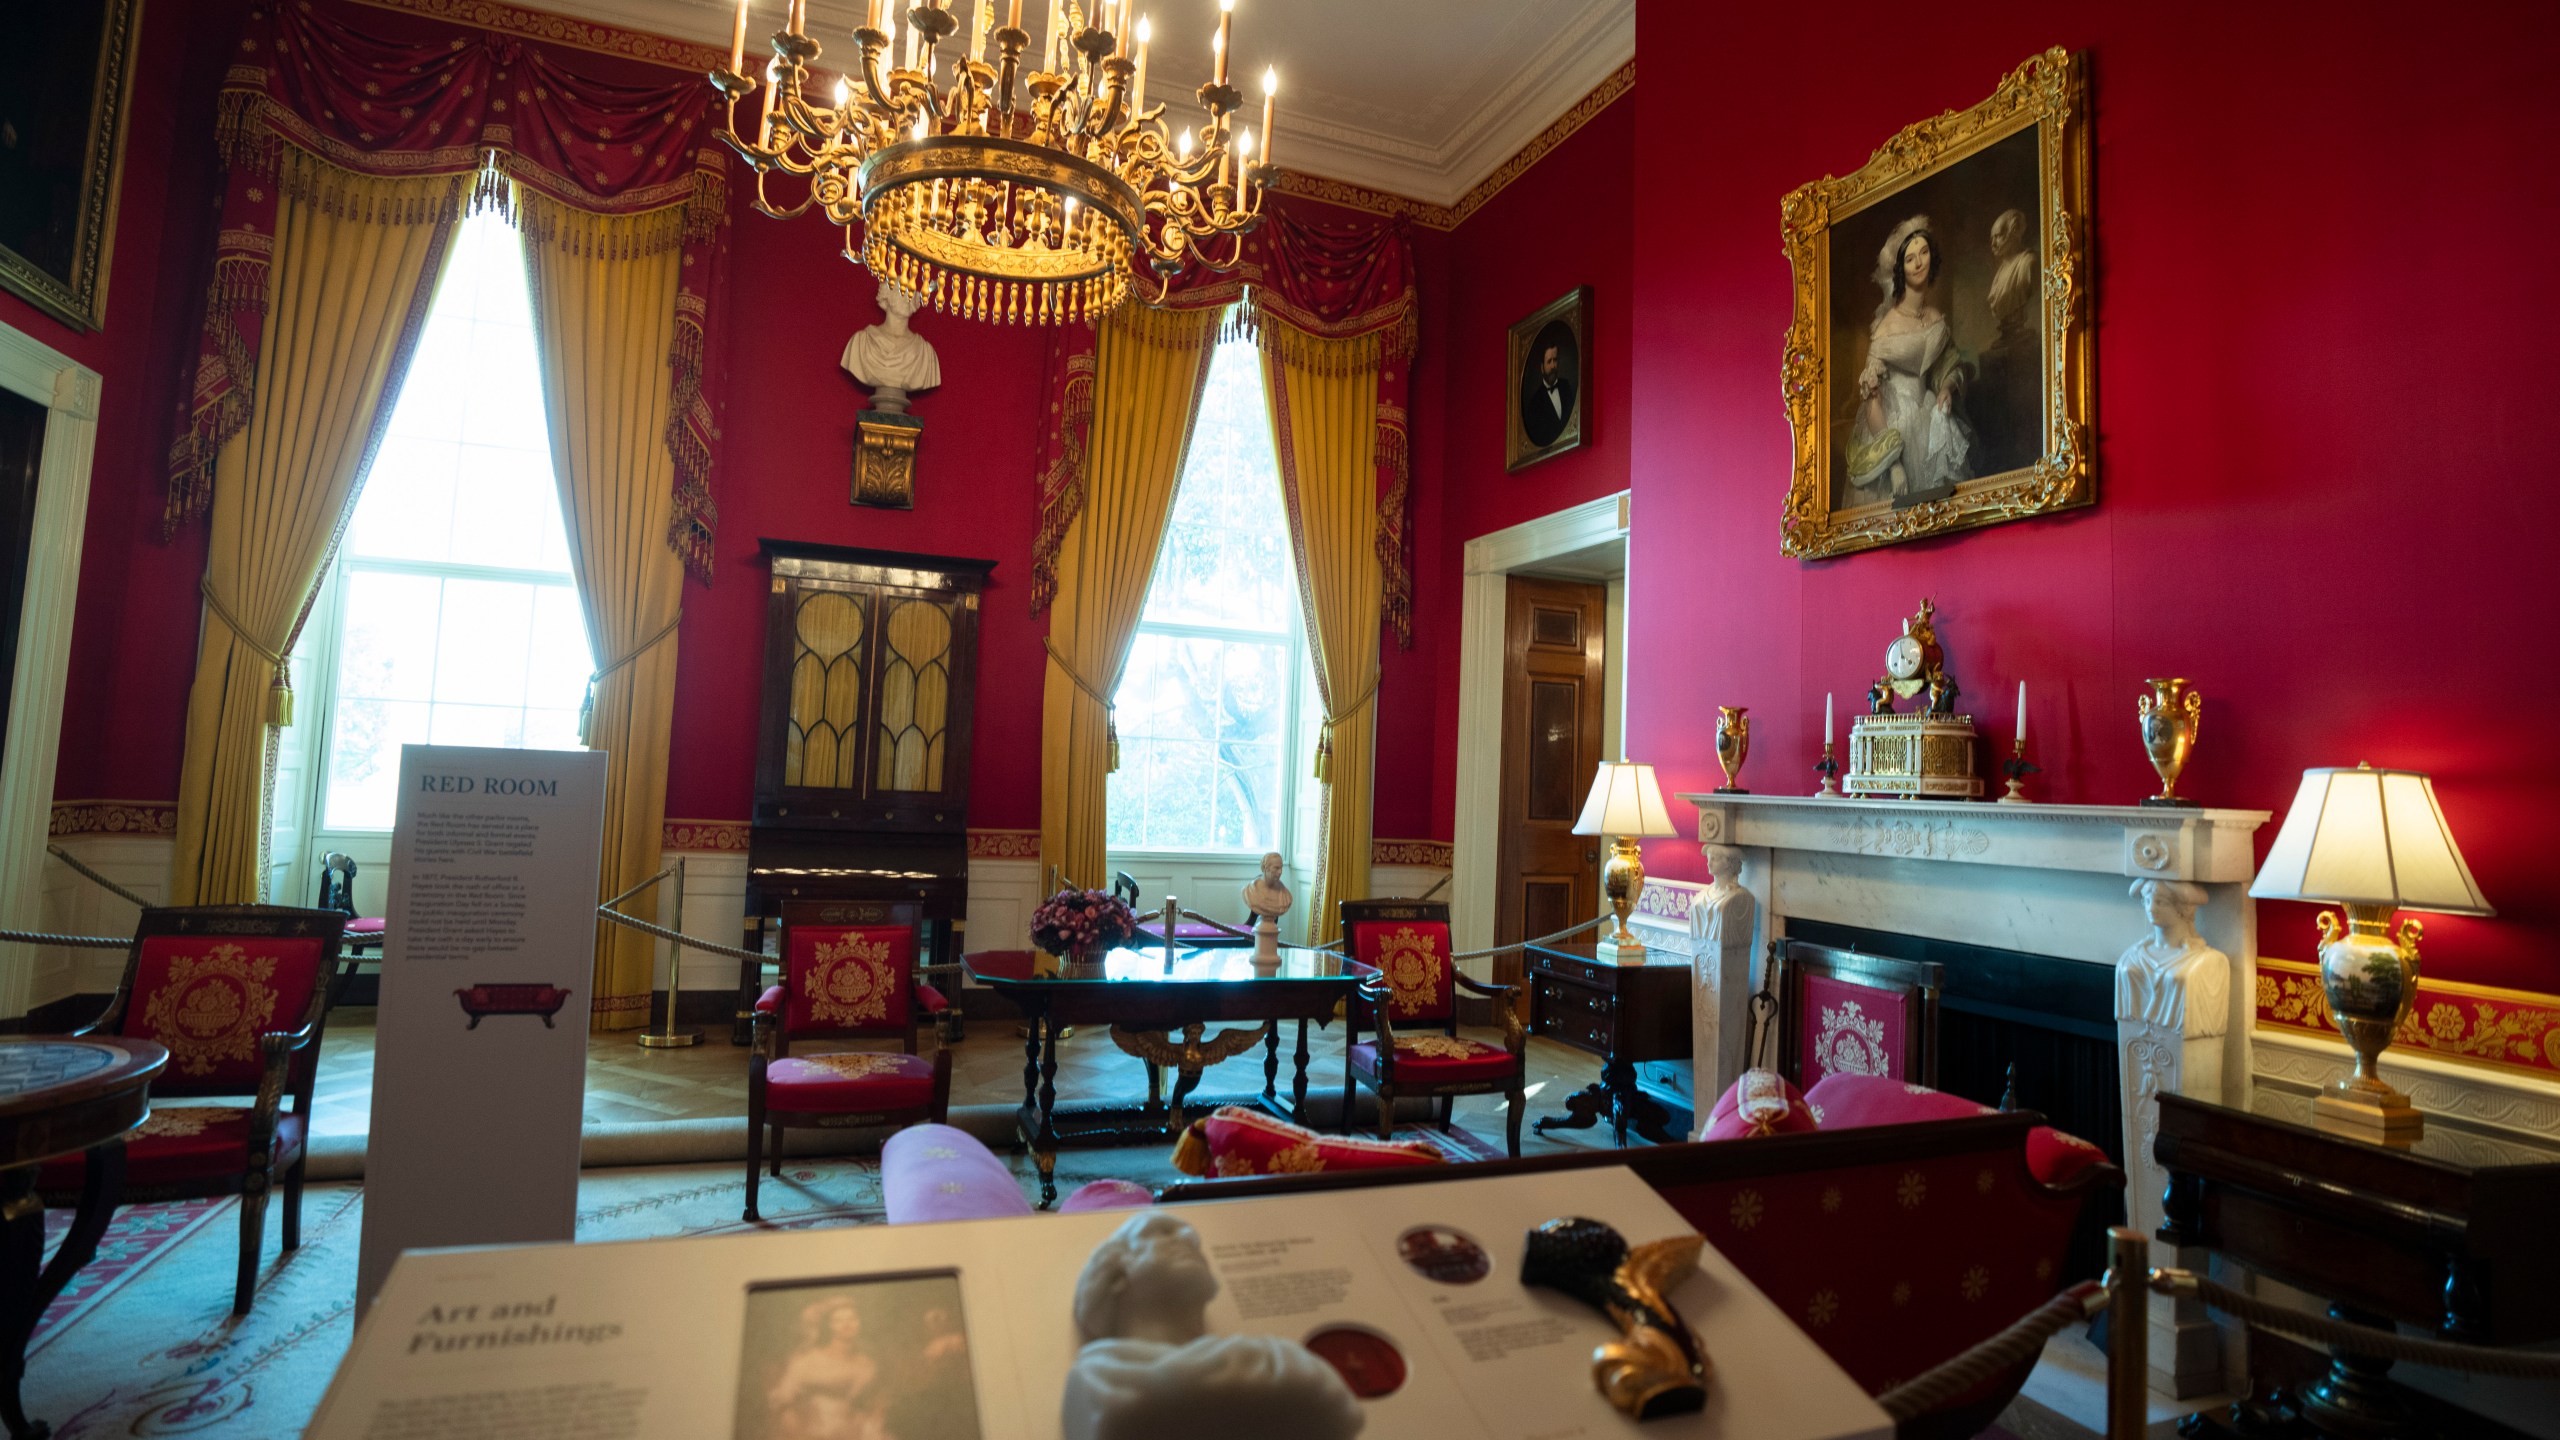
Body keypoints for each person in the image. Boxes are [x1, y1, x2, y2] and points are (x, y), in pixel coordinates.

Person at [1062, 1214, 1363, 1440]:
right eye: (1163, 1232)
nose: (1190, 1237)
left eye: (1189, 1235)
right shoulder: (1102, 1381)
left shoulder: (1282, 1364)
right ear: (1116, 1273)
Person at [1844, 215, 1972, 508]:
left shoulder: (1936, 318)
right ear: (1900, 269)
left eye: (1924, 253)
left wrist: (1947, 388)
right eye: (1910, 258)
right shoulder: (1886, 328)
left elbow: (1949, 364)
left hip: (1930, 417)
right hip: (1892, 427)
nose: (1918, 263)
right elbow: (1872, 403)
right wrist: (1894, 465)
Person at [1971, 207, 2040, 475]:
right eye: (1991, 238)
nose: (1994, 243)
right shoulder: (2001, 272)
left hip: (2020, 343)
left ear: (2014, 233)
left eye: (1999, 236)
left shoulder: (2028, 264)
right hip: (2004, 344)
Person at [763, 1296, 888, 1440]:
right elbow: (784, 1401)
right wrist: (796, 1432)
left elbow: (874, 1405)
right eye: (838, 1320)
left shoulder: (866, 1364)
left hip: (855, 1433)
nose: (847, 1325)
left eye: (852, 1319)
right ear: (829, 1325)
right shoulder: (809, 1360)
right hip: (812, 1433)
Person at [841, 281, 942, 414]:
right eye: (901, 292)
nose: (908, 298)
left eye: (911, 293)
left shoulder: (925, 353)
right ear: (886, 297)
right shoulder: (861, 342)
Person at [1518, 327, 1577, 449]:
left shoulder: (1566, 387)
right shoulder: (1535, 404)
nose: (1553, 366)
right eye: (1549, 361)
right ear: (1541, 367)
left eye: (1555, 360)